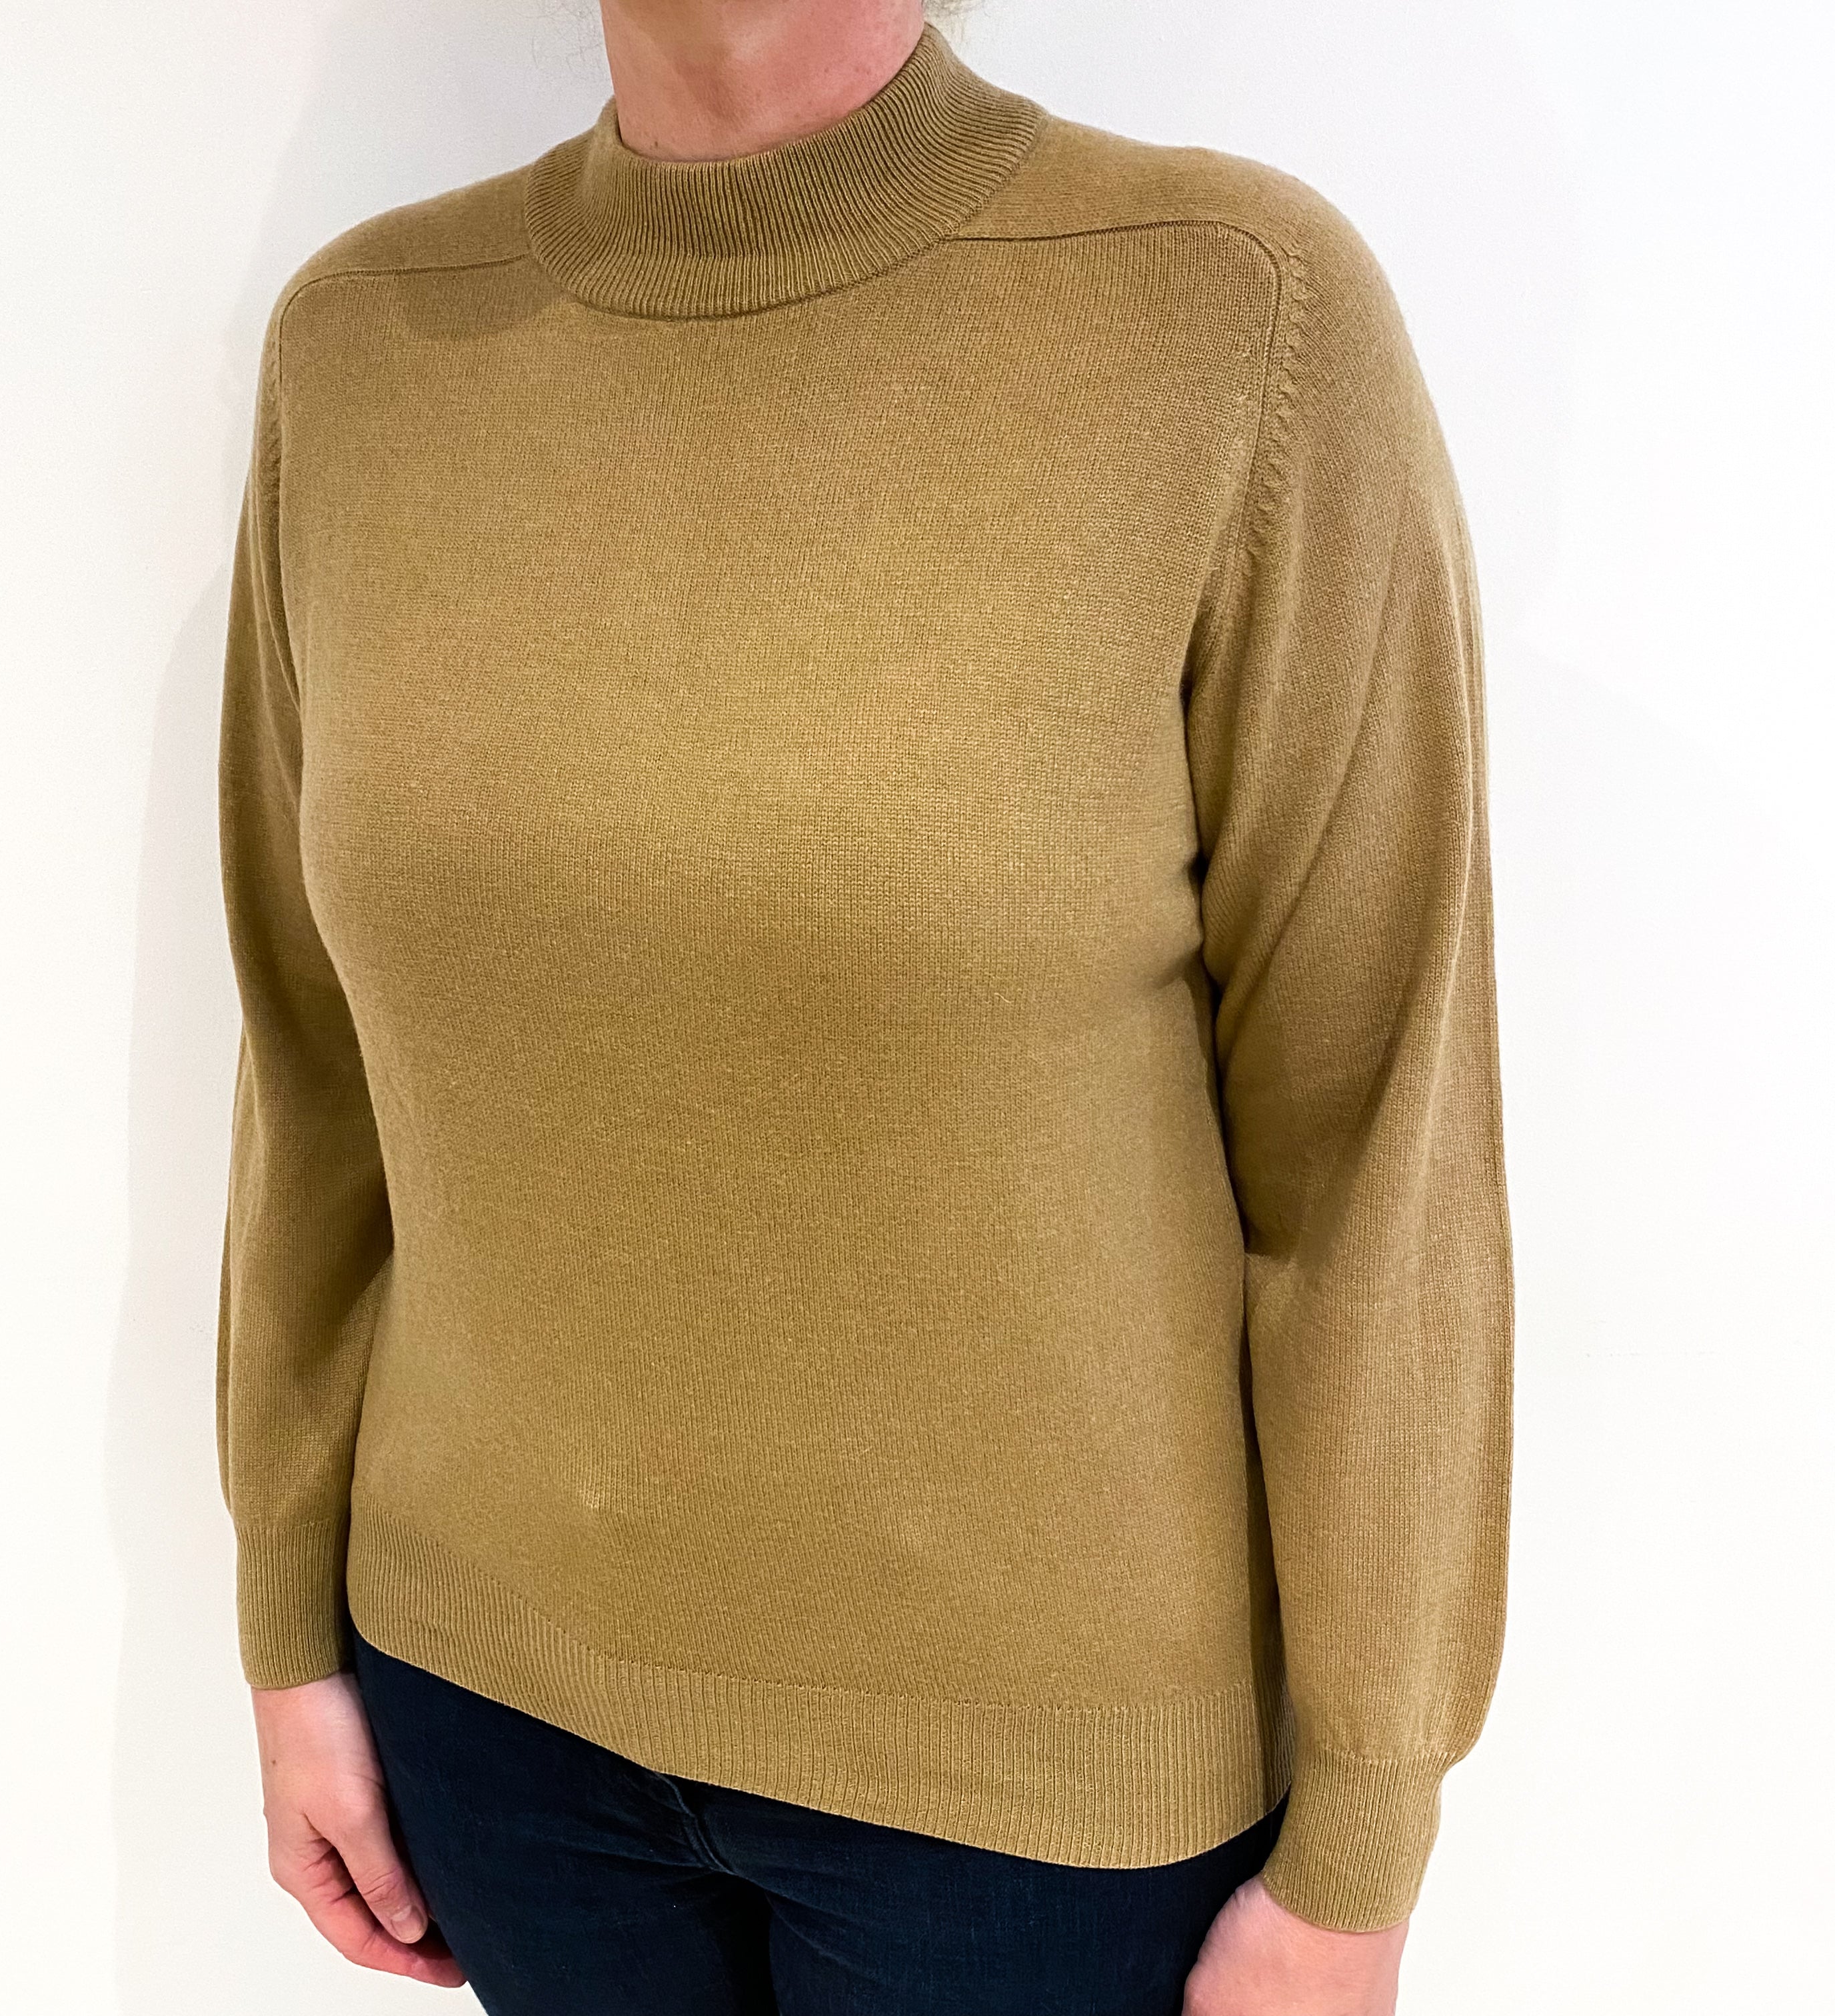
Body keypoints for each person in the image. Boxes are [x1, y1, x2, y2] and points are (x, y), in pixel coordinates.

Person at [213, 2, 1514, 2010]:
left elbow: (1375, 1156)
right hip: (486, 1708)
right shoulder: (363, 345)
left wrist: (1362, 1836)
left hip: (1036, 1806)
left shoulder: (1228, 313)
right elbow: (312, 1062)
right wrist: (289, 1629)